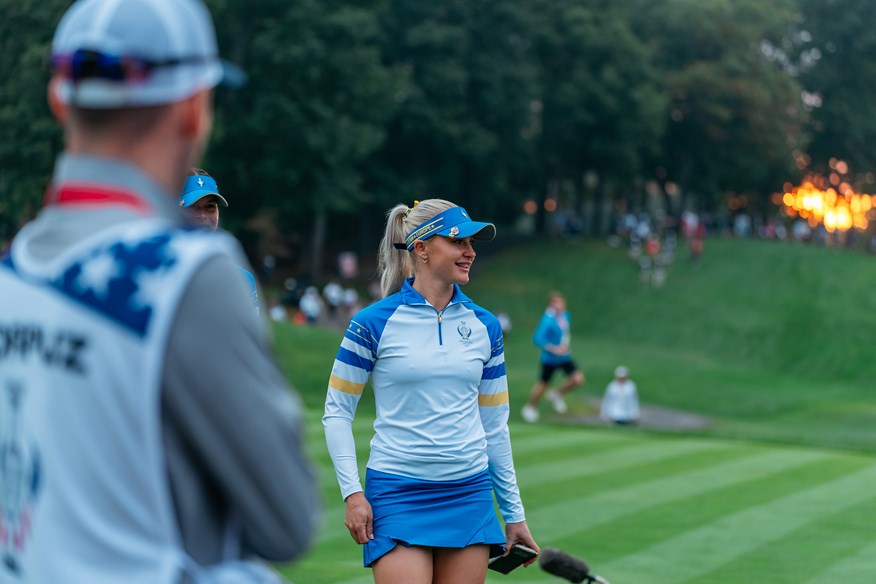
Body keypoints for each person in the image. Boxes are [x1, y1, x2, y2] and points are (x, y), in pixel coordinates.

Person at [0, 1, 319, 582]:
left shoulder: (13, 270)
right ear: (194, 110)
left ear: (58, 99)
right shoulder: (188, 273)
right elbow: (287, 521)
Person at [323, 199, 539, 583]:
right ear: (421, 248)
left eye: (472, 243)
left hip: (469, 495)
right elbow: (338, 412)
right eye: (458, 242)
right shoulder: (371, 323)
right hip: (396, 493)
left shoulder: (485, 327)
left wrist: (514, 514)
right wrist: (353, 495)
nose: (470, 252)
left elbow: (495, 427)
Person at [179, 168, 260, 313]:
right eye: (192, 207)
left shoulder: (241, 279)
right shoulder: (157, 271)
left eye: (210, 207)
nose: (203, 215)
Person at [521, 291, 585, 423]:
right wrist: (554, 349)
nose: (559, 305)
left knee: (577, 379)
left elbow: (565, 334)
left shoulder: (565, 315)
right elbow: (537, 339)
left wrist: (565, 346)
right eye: (556, 302)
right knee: (543, 384)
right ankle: (530, 407)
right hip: (550, 358)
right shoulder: (548, 319)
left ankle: (556, 394)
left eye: (560, 302)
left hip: (564, 357)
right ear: (551, 304)